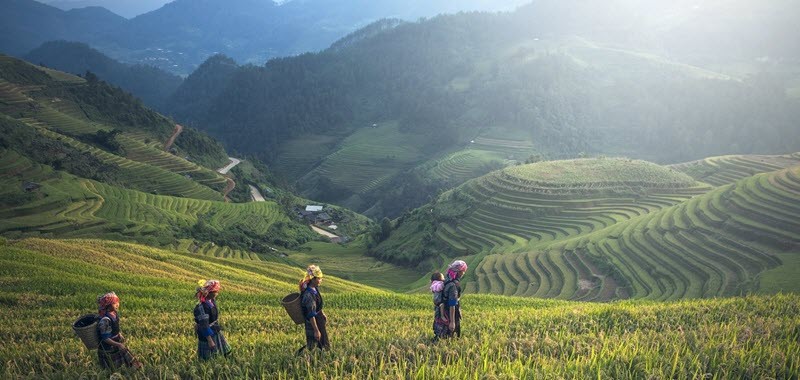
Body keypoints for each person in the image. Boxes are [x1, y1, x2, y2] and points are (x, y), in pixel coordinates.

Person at [96, 292, 142, 370]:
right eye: (114, 303)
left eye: (118, 302)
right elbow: (105, 338)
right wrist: (118, 344)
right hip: (108, 346)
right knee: (113, 363)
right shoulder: (105, 320)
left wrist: (119, 334)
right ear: (108, 305)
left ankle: (133, 365)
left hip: (115, 340)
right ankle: (129, 367)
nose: (117, 304)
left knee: (123, 352)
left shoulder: (114, 314)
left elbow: (115, 328)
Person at [194, 280, 231, 360]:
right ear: (210, 293)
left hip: (215, 330)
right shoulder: (202, 307)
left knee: (226, 352)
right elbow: (204, 325)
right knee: (208, 358)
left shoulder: (211, 301)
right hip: (207, 334)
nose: (217, 293)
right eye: (216, 292)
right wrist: (210, 341)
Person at [297, 265, 329, 354]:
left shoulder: (315, 289)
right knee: (313, 344)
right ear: (313, 279)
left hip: (319, 319)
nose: (321, 280)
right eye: (319, 278)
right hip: (313, 322)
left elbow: (318, 305)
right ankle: (300, 356)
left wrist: (322, 313)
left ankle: (320, 359)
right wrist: (316, 330)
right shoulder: (308, 295)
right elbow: (311, 314)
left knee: (322, 343)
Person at [442, 260, 468, 338]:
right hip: (451, 312)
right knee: (452, 335)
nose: (464, 273)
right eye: (463, 271)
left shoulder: (447, 279)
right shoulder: (454, 285)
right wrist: (452, 322)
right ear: (459, 272)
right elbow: (452, 303)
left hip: (443, 310)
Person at [430, 272, 449, 339]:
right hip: (439, 300)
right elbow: (441, 287)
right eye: (442, 277)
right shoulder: (439, 284)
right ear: (439, 278)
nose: (443, 278)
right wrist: (445, 282)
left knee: (439, 311)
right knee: (442, 306)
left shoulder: (434, 284)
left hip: (436, 301)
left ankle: (439, 333)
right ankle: (442, 316)